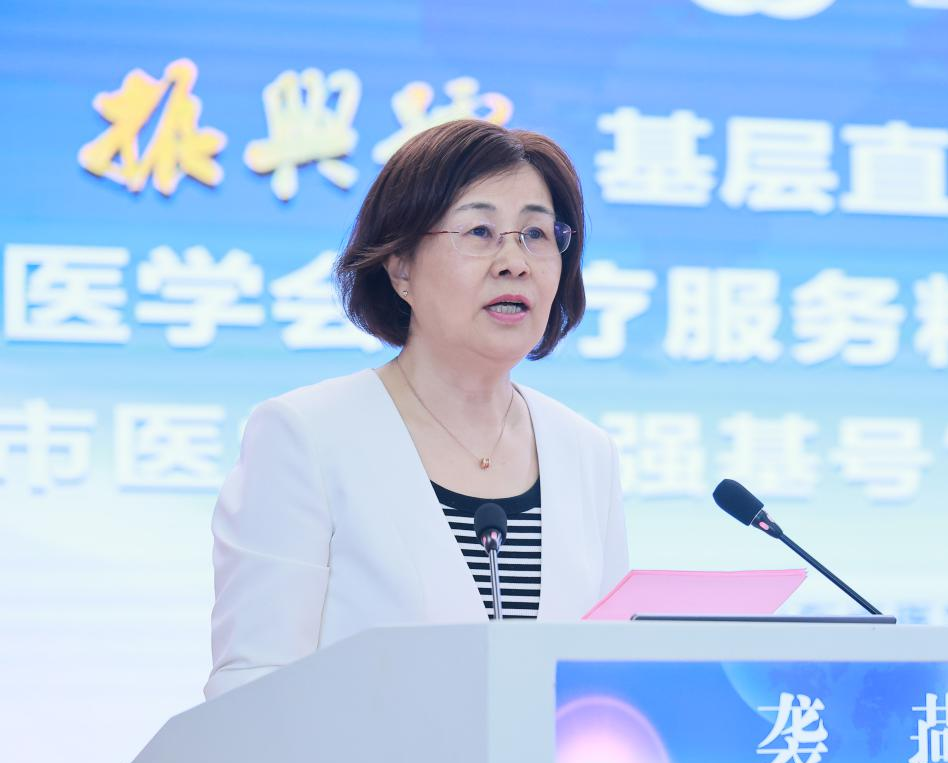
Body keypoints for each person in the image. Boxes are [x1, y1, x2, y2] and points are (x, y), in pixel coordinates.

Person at [204, 120, 629, 700]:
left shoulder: (586, 453)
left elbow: (610, 675)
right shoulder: (307, 436)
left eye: (535, 234)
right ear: (401, 266)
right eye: (480, 231)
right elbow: (251, 685)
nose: (515, 261)